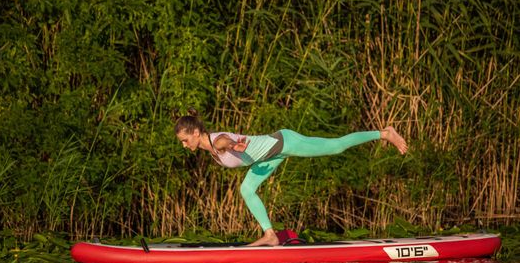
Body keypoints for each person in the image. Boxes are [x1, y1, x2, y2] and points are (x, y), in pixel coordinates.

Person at [174, 109, 408, 246]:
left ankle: (384, 133)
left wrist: (235, 144)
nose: (185, 145)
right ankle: (270, 235)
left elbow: (226, 140)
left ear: (196, 133)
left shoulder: (217, 142)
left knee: (335, 147)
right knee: (246, 189)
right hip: (266, 159)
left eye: (185, 140)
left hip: (284, 142)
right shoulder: (211, 148)